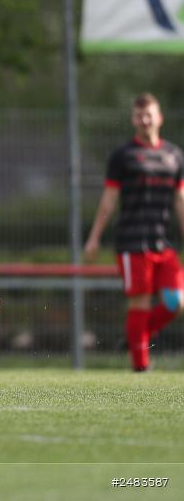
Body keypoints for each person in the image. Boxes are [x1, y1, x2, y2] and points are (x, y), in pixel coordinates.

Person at [84, 93, 184, 372]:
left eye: (149, 114)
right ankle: (141, 366)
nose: (144, 119)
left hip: (163, 244)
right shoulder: (123, 156)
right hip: (131, 242)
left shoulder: (175, 156)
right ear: (133, 119)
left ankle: (136, 337)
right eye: (139, 115)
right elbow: (109, 199)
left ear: (160, 117)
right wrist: (94, 237)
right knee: (139, 302)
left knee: (176, 301)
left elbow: (180, 200)